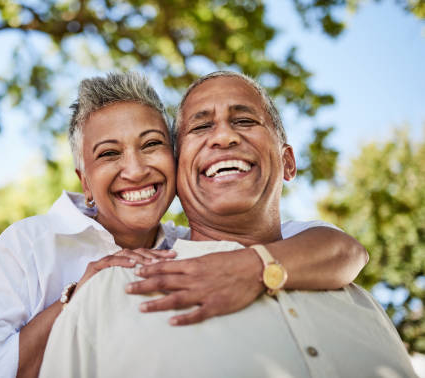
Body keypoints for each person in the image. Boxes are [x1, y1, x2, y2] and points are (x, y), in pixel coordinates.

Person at [0, 73, 368, 377]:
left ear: (178, 163)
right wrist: (73, 301)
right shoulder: (32, 244)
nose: (136, 169)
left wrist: (252, 268)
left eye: (153, 145)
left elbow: (343, 250)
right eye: (108, 154)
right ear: (84, 181)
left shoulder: (190, 246)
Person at [38, 71, 416, 378]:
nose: (223, 136)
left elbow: (348, 248)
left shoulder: (356, 297)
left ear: (287, 162)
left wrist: (259, 267)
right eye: (200, 128)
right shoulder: (111, 294)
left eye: (245, 120)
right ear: (177, 163)